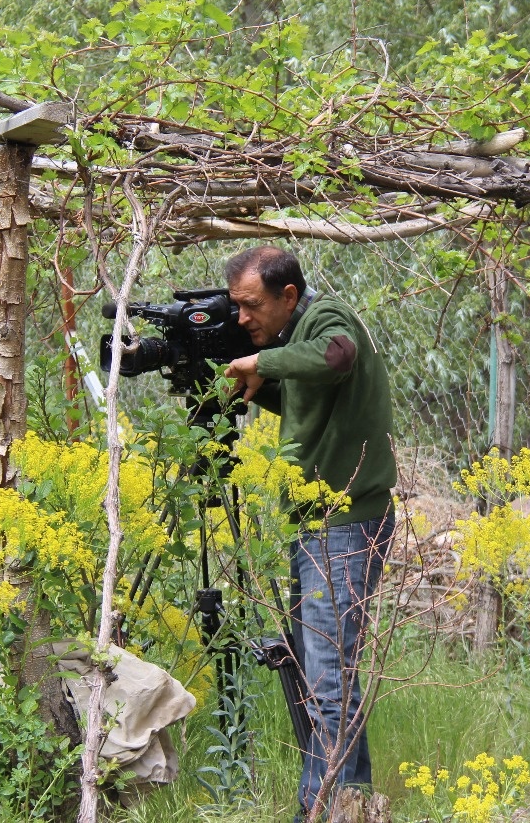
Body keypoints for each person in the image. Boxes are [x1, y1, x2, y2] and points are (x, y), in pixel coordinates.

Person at [223, 245, 397, 820]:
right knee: (326, 684)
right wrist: (259, 384)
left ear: (288, 296)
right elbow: (310, 394)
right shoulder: (290, 338)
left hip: (343, 527)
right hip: (320, 524)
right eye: (236, 307)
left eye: (251, 306)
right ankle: (344, 807)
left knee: (328, 688)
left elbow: (336, 357)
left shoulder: (328, 320)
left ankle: (320, 812)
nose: (242, 318)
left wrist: (263, 365)